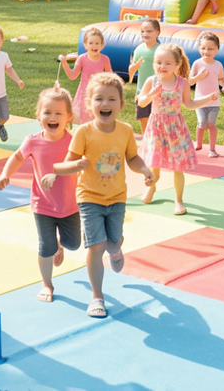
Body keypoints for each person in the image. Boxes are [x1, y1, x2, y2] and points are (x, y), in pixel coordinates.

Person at [53, 72, 153, 318]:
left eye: (111, 99)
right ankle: (97, 296)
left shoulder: (126, 130)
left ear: (121, 104)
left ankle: (116, 249)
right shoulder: (84, 132)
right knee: (96, 245)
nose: (105, 104)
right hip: (89, 197)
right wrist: (76, 166)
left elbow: (132, 158)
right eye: (99, 99)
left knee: (112, 242)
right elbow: (64, 165)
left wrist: (145, 170)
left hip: (117, 196)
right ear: (89, 104)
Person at [0, 84, 79, 303]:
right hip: (42, 204)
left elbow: (85, 162)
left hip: (70, 205)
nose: (52, 117)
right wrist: (6, 174)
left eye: (59, 113)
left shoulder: (74, 142)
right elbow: (16, 157)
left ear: (69, 117)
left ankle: (60, 244)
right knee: (45, 247)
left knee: (74, 244)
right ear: (38, 116)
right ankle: (47, 284)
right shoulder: (33, 140)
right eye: (47, 112)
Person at [137, 44, 217, 215]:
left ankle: (179, 200)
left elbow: (189, 104)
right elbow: (142, 102)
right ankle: (151, 187)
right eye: (158, 62)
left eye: (167, 63)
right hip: (157, 127)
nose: (162, 66)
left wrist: (207, 100)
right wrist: (152, 93)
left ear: (177, 64)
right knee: (154, 165)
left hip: (175, 128)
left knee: (177, 167)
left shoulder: (182, 83)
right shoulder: (152, 81)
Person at [60, 27, 113, 125]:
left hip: (98, 94)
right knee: (79, 121)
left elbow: (111, 78)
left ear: (102, 45)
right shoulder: (82, 59)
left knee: (97, 120)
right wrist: (64, 64)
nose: (94, 46)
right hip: (83, 96)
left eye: (97, 43)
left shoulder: (105, 59)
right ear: (85, 45)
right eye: (91, 43)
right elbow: (72, 76)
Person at [189, 31, 224, 158]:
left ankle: (212, 149)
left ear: (217, 49)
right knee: (202, 123)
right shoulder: (197, 63)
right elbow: (190, 81)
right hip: (200, 101)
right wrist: (198, 77)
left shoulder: (218, 65)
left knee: (211, 124)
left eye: (210, 49)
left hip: (214, 101)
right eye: (203, 48)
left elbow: (221, 78)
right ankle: (198, 144)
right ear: (199, 48)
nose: (206, 51)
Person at [127, 18, 161, 132]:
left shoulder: (161, 50)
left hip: (158, 90)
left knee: (158, 119)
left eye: (149, 31)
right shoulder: (138, 50)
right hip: (142, 91)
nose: (145, 34)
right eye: (143, 31)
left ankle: (158, 143)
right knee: (143, 118)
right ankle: (146, 142)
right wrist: (132, 69)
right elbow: (131, 73)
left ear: (158, 33)